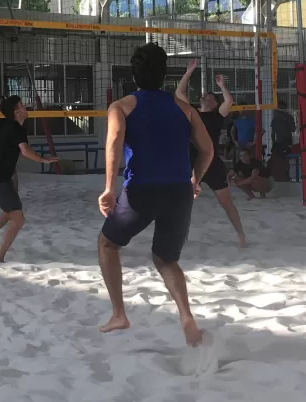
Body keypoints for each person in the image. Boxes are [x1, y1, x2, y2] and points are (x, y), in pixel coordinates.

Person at [97, 42, 214, 347]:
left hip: (142, 190)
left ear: (133, 74)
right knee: (165, 259)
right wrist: (195, 179)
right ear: (164, 75)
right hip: (179, 191)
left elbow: (113, 147)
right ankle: (187, 316)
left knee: (107, 244)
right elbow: (207, 150)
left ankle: (119, 313)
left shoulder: (121, 106)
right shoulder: (184, 108)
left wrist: (109, 188)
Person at [175, 59, 247, 248]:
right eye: (204, 94)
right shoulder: (191, 112)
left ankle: (241, 236)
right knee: (182, 204)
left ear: (215, 103)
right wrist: (189, 71)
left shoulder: (217, 115)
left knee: (226, 203)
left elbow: (229, 101)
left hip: (212, 163)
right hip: (190, 162)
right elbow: (179, 93)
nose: (205, 95)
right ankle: (181, 239)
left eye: (209, 95)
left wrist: (222, 85)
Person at [0, 96, 57, 261]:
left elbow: (18, 150)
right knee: (18, 218)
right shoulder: (14, 128)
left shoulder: (12, 127)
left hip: (1, 176)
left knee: (10, 212)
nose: (26, 107)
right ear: (16, 112)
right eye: (22, 105)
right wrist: (43, 159)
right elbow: (25, 151)